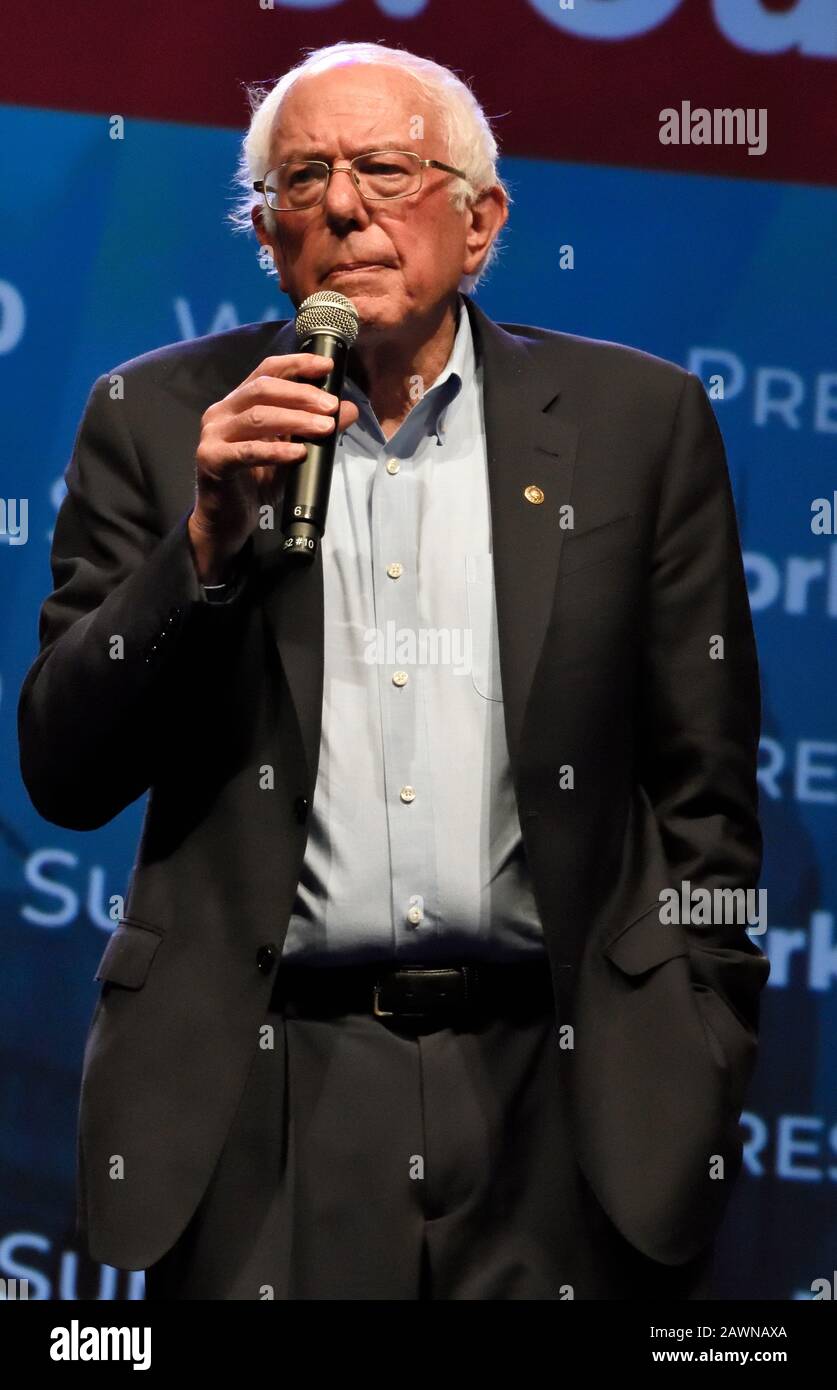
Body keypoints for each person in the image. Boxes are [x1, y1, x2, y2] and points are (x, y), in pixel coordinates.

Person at [18, 41, 769, 1300]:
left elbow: (706, 787)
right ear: (266, 235)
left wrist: (699, 1043)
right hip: (265, 1103)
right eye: (303, 179)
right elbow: (65, 767)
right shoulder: (154, 420)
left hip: (562, 1093)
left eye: (384, 168)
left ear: (481, 224)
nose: (346, 205)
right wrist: (200, 547)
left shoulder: (637, 424)